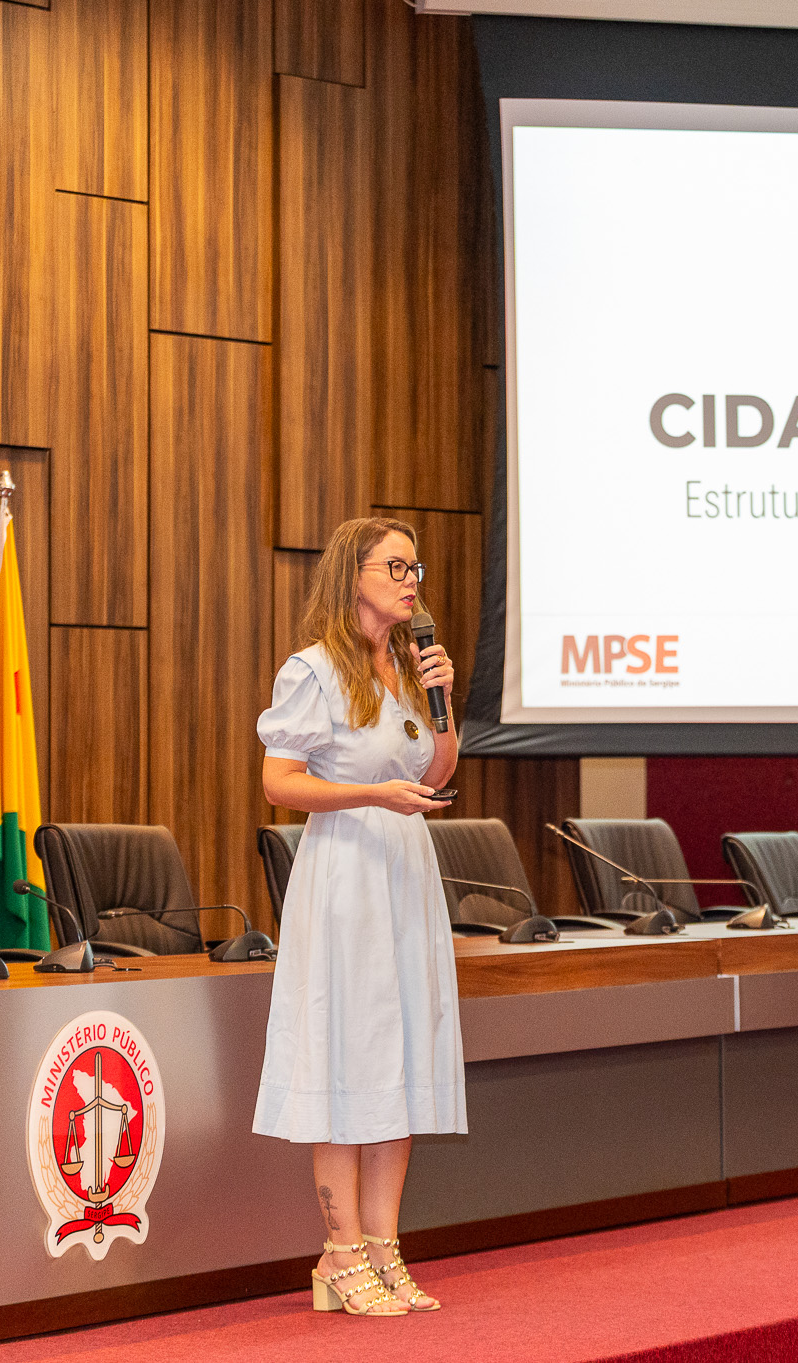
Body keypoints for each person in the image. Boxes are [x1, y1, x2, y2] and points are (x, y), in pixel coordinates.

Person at [255, 516, 463, 1317]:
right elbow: (279, 781)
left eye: (415, 568)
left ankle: (383, 1245)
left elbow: (437, 771)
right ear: (354, 576)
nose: (411, 581)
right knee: (348, 1052)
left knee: (398, 1054)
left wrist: (444, 704)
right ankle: (339, 1253)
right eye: (395, 566)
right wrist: (372, 793)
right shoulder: (312, 670)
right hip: (345, 873)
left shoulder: (411, 667)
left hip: (405, 872)